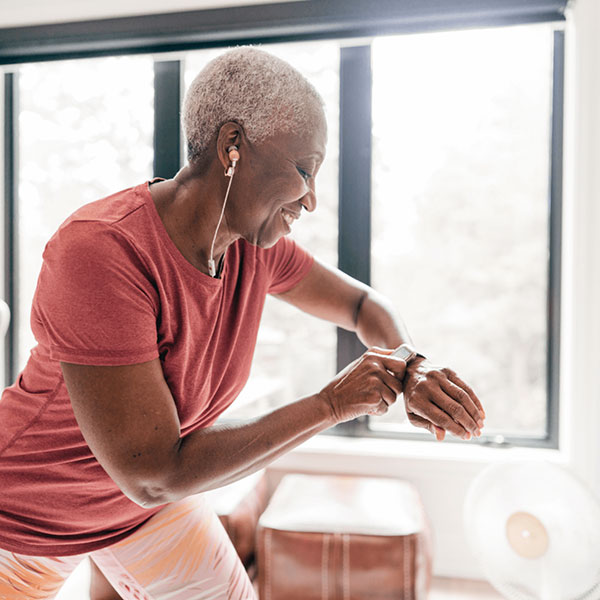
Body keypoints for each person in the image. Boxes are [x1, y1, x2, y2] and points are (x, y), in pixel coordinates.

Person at [0, 47, 485, 600]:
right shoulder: (101, 251)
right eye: (305, 170)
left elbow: (361, 307)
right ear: (233, 145)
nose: (313, 200)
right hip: (26, 511)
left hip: (139, 513)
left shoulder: (254, 249)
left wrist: (410, 365)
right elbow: (154, 472)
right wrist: (330, 404)